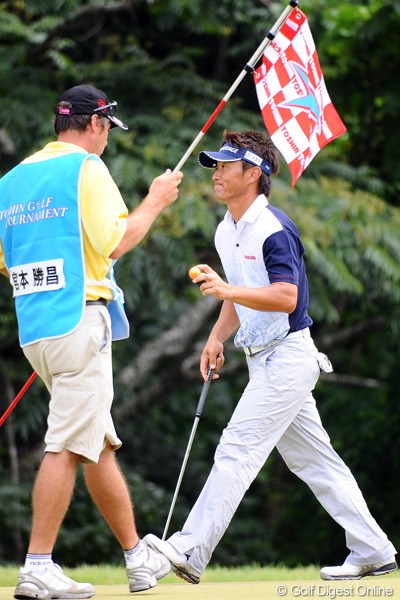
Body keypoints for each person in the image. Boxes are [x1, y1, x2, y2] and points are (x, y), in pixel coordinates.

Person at [144, 129, 397, 584]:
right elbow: (240, 295)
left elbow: (284, 295)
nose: (216, 173)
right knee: (316, 463)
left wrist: (226, 289)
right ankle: (374, 549)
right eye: (215, 165)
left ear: (253, 173)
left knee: (236, 449)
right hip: (264, 358)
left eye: (225, 165)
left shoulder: (272, 227)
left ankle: (189, 550)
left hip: (287, 357)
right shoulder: (227, 228)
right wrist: (217, 337)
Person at [0, 84, 183, 598]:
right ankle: (38, 564)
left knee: (95, 441)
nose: (106, 142)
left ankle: (136, 557)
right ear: (97, 123)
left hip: (37, 329)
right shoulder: (86, 169)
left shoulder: (11, 180)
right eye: (107, 132)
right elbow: (118, 241)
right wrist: (154, 200)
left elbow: (7, 260)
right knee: (64, 445)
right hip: (79, 323)